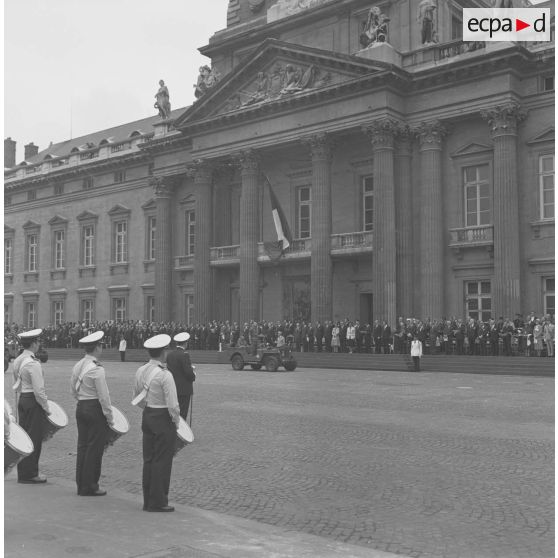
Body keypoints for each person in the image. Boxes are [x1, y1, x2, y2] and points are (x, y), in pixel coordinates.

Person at [132, 334, 180, 512]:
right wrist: (175, 422)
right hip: (162, 417)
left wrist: (148, 408)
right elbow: (173, 405)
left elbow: (136, 397)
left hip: (148, 414)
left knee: (149, 459)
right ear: (163, 352)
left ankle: (147, 500)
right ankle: (158, 501)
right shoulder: (165, 375)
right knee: (162, 461)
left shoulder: (140, 371)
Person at [70, 331, 114, 496]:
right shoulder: (97, 369)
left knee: (82, 446)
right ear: (97, 348)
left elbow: (72, 387)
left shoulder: (78, 365)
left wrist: (81, 399)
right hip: (94, 409)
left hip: (81, 406)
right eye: (101, 345)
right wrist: (110, 417)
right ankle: (90, 485)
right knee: (95, 448)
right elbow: (104, 397)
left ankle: (81, 483)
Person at [12, 329, 51, 484]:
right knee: (34, 438)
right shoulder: (33, 363)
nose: (39, 344)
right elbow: (39, 391)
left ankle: (23, 473)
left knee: (24, 437)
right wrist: (47, 408)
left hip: (23, 398)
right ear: (34, 344)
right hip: (33, 401)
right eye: (38, 342)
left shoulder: (18, 360)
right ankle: (31, 474)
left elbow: (16, 383)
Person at [165, 332, 196, 421]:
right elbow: (188, 373)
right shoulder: (185, 355)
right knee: (182, 414)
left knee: (173, 412)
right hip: (184, 390)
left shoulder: (170, 355)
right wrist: (193, 374)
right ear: (186, 343)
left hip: (172, 387)